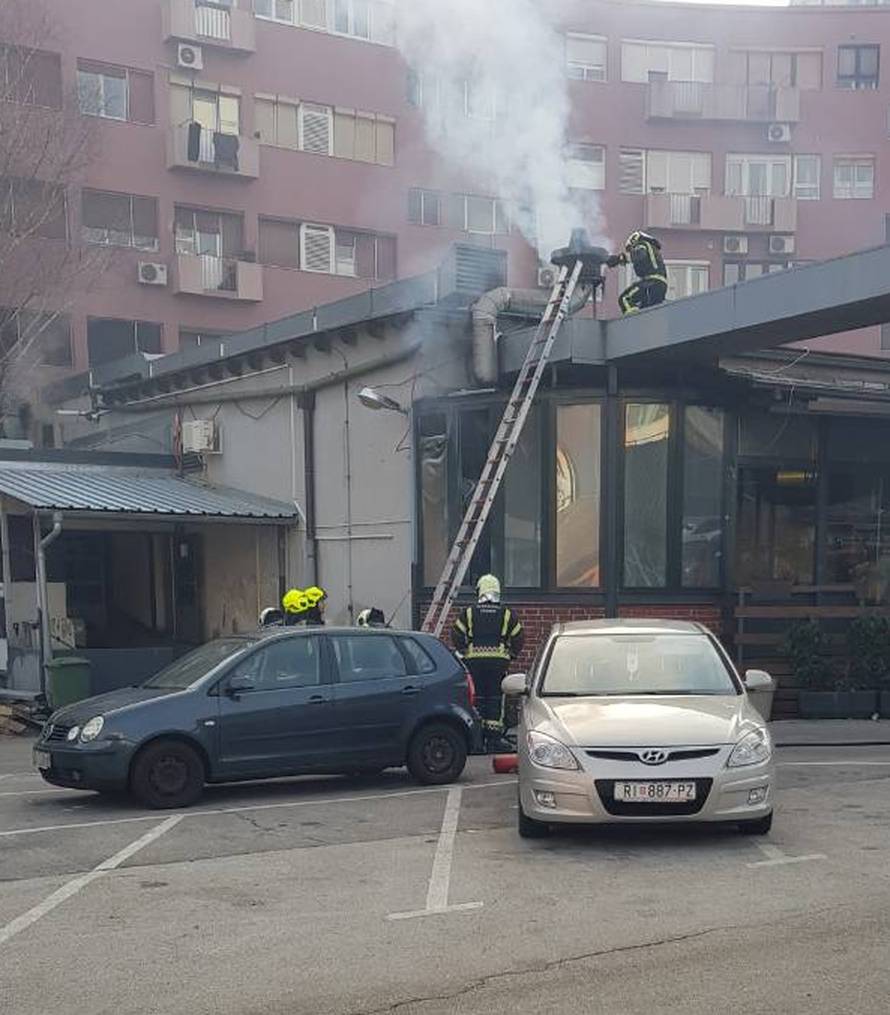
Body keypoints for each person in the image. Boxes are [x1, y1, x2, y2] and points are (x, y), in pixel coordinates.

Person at [451, 574, 524, 752]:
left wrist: (464, 650)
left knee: (476, 698)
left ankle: (476, 740)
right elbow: (518, 636)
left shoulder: (468, 613)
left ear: (480, 591)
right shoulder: (506, 614)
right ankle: (494, 740)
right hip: (498, 663)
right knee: (495, 698)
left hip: (473, 662)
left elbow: (456, 633)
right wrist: (511, 654)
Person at [606, 230, 668, 315]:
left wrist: (620, 258)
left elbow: (640, 255)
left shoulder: (642, 244)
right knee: (647, 309)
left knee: (625, 298)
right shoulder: (654, 250)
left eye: (630, 248)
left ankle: (632, 320)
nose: (631, 251)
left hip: (651, 282)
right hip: (660, 285)